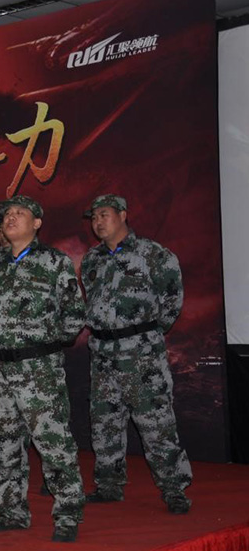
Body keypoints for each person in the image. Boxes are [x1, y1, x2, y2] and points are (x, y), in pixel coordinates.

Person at [0, 195, 85, 543]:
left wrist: (45, 344)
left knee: (53, 442)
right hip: (1, 367)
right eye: (7, 214)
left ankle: (67, 513)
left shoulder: (54, 261)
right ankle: (12, 512)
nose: (10, 218)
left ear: (37, 223)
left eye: (19, 213)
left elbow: (74, 314)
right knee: (7, 442)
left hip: (39, 367)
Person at [81, 194, 192, 514]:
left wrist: (144, 334)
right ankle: (109, 485)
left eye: (104, 214)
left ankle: (174, 488)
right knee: (105, 422)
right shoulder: (91, 259)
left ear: (123, 215)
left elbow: (172, 300)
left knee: (156, 423)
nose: (98, 222)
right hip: (102, 353)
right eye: (94, 217)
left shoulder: (153, 254)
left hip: (141, 355)